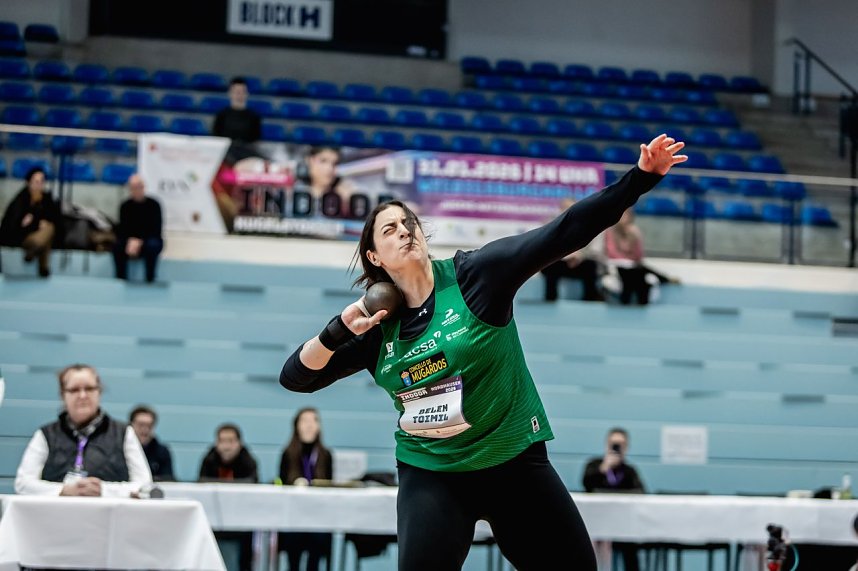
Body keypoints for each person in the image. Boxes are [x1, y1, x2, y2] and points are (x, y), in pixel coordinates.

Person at [279, 135, 687, 570]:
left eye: (408, 223)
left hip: (511, 459)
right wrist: (337, 330)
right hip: (433, 473)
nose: (404, 231)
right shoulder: (376, 326)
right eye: (389, 229)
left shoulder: (477, 277)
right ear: (374, 257)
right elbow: (296, 377)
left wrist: (640, 179)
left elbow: (564, 232)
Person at [15, 364, 152, 496]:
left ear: (99, 391)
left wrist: (103, 490)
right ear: (63, 395)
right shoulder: (46, 435)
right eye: (74, 390)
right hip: (57, 516)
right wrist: (64, 490)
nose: (82, 395)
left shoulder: (123, 433)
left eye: (89, 388)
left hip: (109, 517)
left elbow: (145, 485)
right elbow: (23, 484)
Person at [582, 428, 646, 571]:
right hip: (595, 527)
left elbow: (641, 491)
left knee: (630, 547)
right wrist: (604, 468)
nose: (617, 448)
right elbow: (586, 484)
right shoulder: (594, 465)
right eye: (614, 444)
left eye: (621, 445)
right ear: (607, 445)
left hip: (623, 527)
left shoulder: (629, 471)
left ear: (626, 447)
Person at [277, 408, 333, 571]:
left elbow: (330, 486)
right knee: (293, 556)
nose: (309, 425)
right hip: (293, 516)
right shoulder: (287, 453)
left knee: (315, 554)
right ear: (296, 426)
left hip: (318, 517)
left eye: (314, 421)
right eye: (304, 421)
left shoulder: (325, 455)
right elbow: (281, 484)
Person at [199, 423, 259, 571]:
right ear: (217, 443)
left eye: (231, 441)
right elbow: (201, 484)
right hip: (214, 524)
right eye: (222, 441)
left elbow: (252, 486)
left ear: (239, 443)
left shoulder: (248, 461)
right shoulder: (209, 459)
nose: (226, 446)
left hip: (241, 525)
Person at [604, 208, 677, 305]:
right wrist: (627, 257)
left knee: (642, 277)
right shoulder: (610, 231)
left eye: (627, 216)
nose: (625, 218)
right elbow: (612, 252)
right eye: (622, 215)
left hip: (632, 266)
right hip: (617, 265)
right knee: (640, 271)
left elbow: (638, 255)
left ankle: (642, 304)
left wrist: (634, 236)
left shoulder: (634, 232)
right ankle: (664, 278)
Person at [0, 166, 63, 277]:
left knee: (49, 229)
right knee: (49, 229)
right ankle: (43, 265)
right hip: (23, 237)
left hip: (41, 237)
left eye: (41, 181)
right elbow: (12, 225)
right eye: (36, 181)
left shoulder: (47, 198)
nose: (39, 185)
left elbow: (57, 220)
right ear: (28, 182)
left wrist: (40, 223)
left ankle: (34, 250)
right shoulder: (20, 200)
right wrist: (36, 224)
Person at [540, 198, 606, 302]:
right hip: (558, 261)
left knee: (591, 266)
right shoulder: (550, 224)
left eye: (571, 208)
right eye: (565, 208)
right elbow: (545, 246)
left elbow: (594, 250)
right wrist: (565, 256)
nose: (568, 210)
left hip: (580, 262)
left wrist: (580, 255)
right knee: (549, 267)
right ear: (560, 209)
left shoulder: (589, 224)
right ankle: (550, 300)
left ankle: (590, 299)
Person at [113, 174, 163, 283]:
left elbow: (156, 229)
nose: (135, 190)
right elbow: (123, 229)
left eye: (138, 187)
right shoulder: (125, 206)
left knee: (152, 245)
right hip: (130, 241)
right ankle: (120, 279)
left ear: (143, 187)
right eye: (132, 188)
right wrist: (130, 241)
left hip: (148, 240)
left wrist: (140, 242)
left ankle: (150, 279)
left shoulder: (154, 205)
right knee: (117, 246)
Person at [129, 405, 174, 481]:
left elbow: (167, 480)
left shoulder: (162, 452)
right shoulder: (120, 449)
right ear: (131, 425)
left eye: (149, 426)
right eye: (141, 425)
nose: (145, 429)